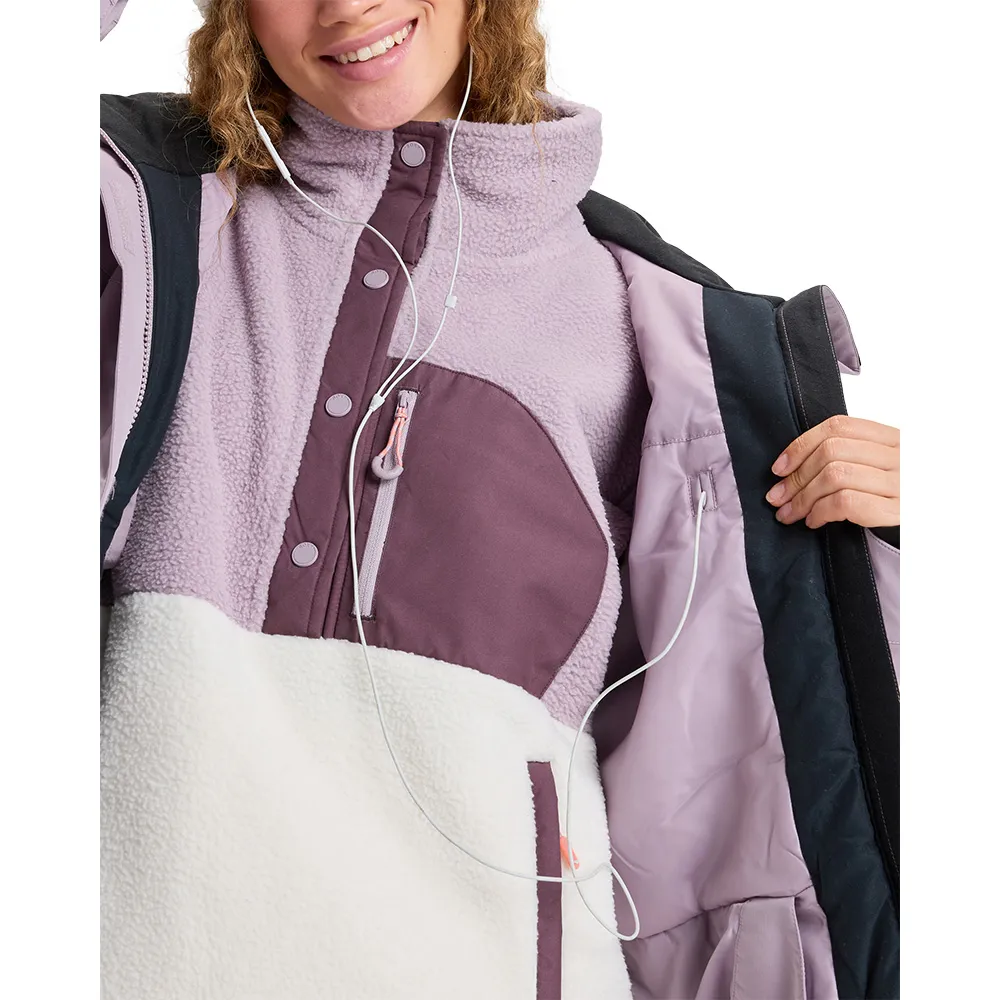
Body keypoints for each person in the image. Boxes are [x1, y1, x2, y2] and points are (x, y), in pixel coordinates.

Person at [100, 1, 901, 997]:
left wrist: (905, 544)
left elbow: (752, 805)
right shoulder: (144, 218)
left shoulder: (661, 338)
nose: (346, 5)